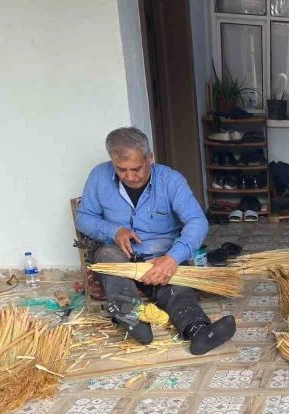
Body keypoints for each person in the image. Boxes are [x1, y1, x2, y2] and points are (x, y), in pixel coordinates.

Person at [75, 127, 236, 355]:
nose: (130, 176)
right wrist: (114, 231)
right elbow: (83, 217)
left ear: (150, 158)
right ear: (112, 162)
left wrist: (172, 258)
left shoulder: (171, 180)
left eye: (136, 169)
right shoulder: (99, 177)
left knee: (177, 287)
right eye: (122, 170)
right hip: (120, 256)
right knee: (107, 258)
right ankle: (132, 318)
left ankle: (198, 330)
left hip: (161, 256)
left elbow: (197, 221)